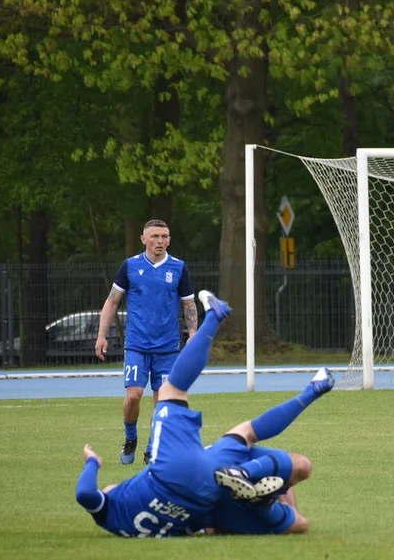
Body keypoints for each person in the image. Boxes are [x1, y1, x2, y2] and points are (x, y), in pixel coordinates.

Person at [75, 290, 335, 537]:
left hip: (205, 506)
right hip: (174, 474)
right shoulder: (109, 512)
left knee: (300, 508)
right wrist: (92, 462)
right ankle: (214, 316)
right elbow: (86, 494)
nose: (107, 488)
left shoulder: (135, 527)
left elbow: (205, 528)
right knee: (172, 391)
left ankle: (263, 497)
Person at [96, 219, 198, 466]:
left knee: (163, 401)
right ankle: (130, 438)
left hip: (168, 347)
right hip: (137, 344)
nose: (160, 241)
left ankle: (152, 448)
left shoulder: (178, 267)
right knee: (134, 396)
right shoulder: (130, 266)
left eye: (164, 236)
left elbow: (188, 303)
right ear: (143, 239)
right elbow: (112, 301)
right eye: (155, 236)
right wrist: (101, 335)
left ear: (169, 240)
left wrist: (193, 332)